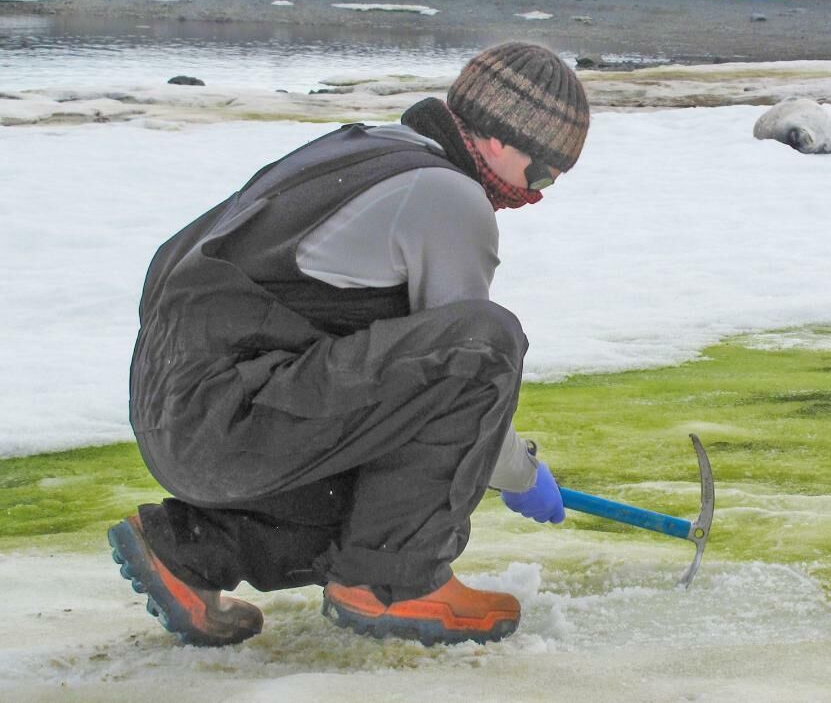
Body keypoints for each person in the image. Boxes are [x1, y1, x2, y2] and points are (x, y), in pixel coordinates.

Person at [107, 41, 588, 647]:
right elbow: (464, 368)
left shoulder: (366, 149)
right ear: (499, 139)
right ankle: (394, 583)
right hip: (232, 416)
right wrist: (520, 471)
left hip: (181, 414)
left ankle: (191, 550)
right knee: (488, 342)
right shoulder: (447, 196)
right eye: (543, 172)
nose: (538, 193)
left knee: (379, 482)